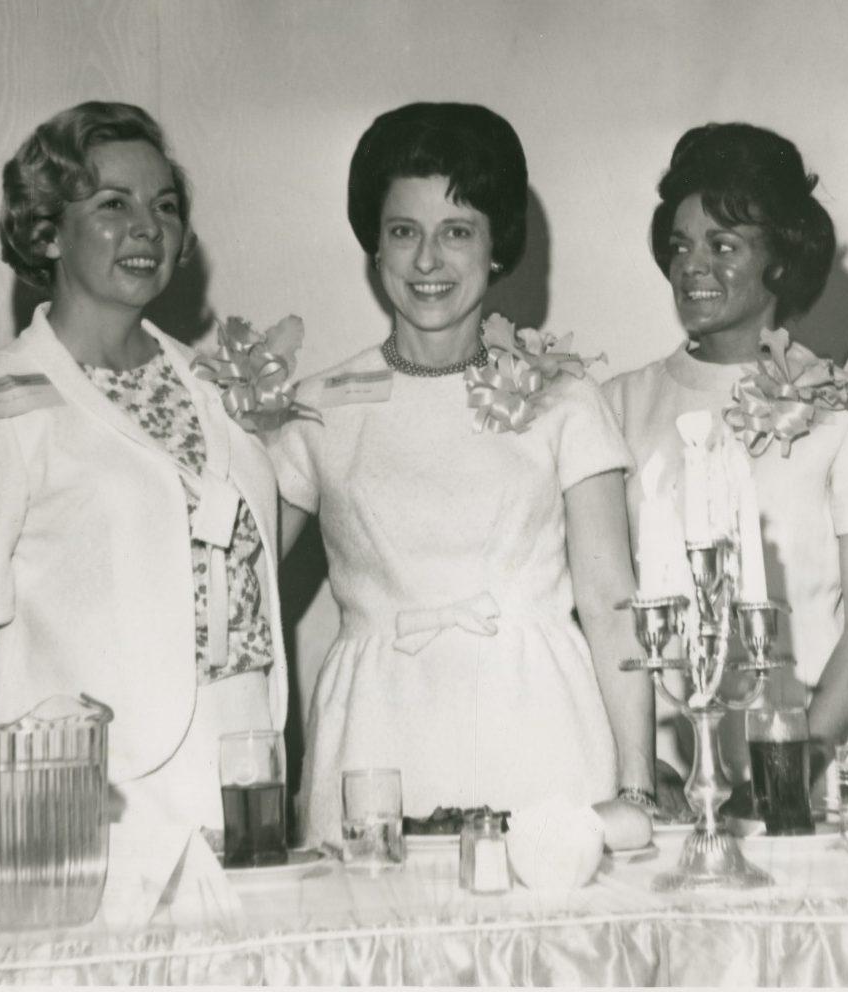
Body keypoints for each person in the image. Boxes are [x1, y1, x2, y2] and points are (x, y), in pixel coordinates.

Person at [270, 102, 655, 843]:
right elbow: (231, 589)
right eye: (403, 232)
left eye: (456, 232)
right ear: (374, 246)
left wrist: (637, 782)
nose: (426, 262)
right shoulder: (315, 407)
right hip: (375, 732)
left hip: (536, 716)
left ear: (496, 247)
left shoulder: (563, 396)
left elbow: (611, 604)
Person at [0, 102, 288, 844]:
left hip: (245, 771)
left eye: (164, 206)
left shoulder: (214, 388)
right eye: (112, 205)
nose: (147, 228)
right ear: (46, 230)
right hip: (90, 796)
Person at [604, 123, 848, 795]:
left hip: (811, 769)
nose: (691, 266)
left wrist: (788, 771)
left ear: (780, 259)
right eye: (680, 245)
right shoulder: (616, 407)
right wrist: (640, 767)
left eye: (722, 244)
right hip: (658, 776)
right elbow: (599, 609)